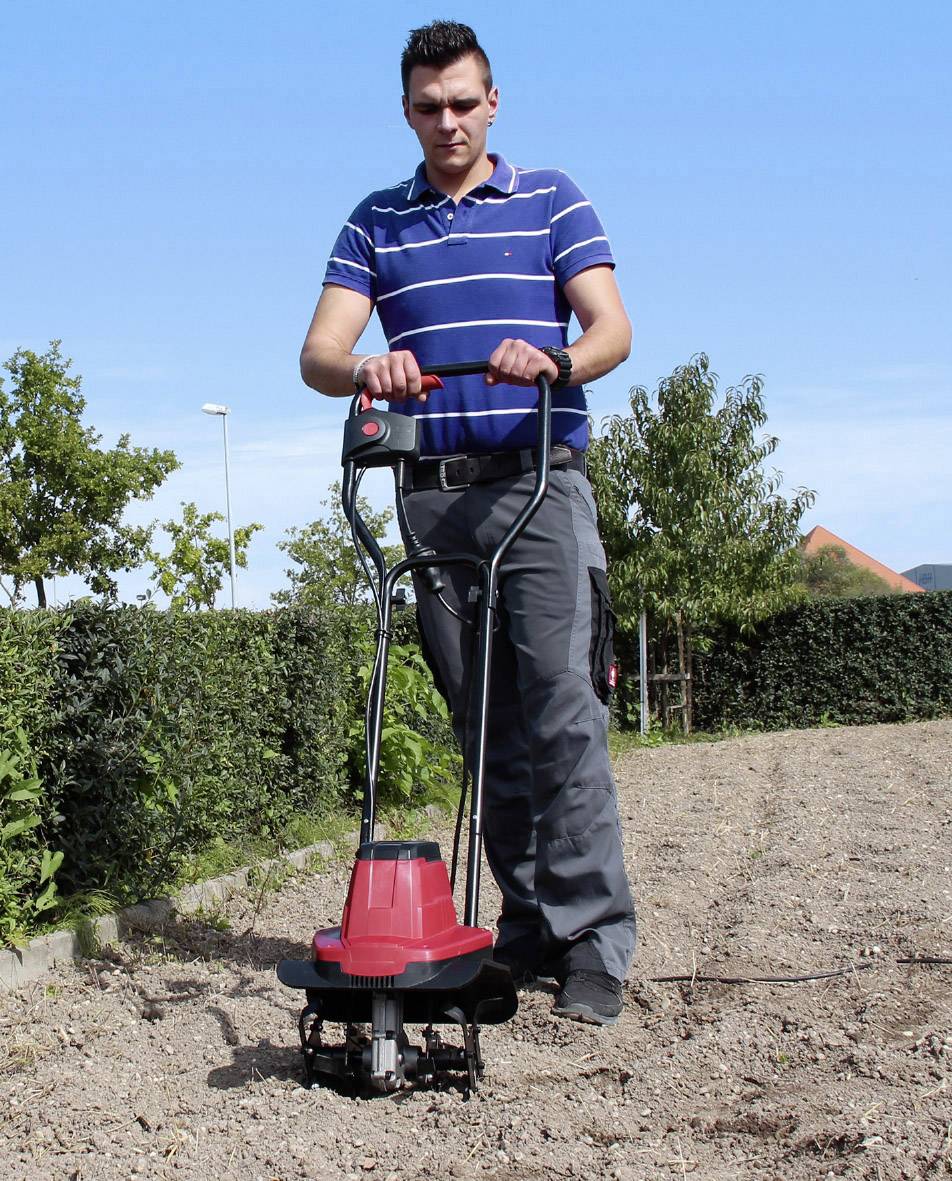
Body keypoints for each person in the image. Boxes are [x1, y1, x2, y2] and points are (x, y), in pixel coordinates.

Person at [300, 20, 636, 1025]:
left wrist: (555, 362)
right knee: (484, 723)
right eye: (426, 107)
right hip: (432, 492)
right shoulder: (374, 220)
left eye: (462, 103)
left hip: (537, 479)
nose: (446, 121)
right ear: (406, 113)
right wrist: (370, 367)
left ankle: (592, 942)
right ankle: (524, 922)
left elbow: (611, 327)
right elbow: (319, 352)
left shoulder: (550, 197)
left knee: (564, 714)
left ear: (493, 103)